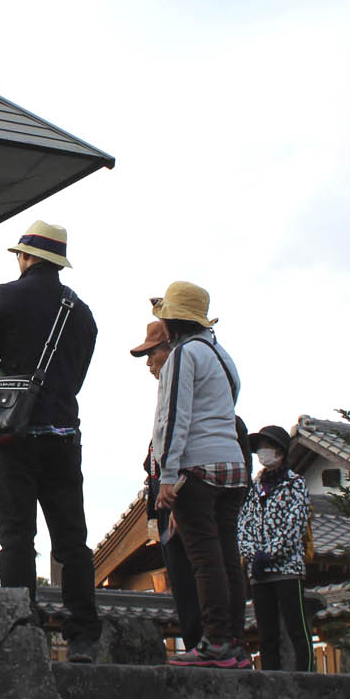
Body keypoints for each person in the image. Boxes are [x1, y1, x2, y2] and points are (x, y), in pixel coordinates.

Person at [0, 221, 101, 660]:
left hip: (15, 437)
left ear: (27, 258)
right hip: (64, 434)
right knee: (71, 540)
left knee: (16, 537)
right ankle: (83, 634)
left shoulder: (5, 296)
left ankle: (22, 631)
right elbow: (78, 379)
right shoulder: (82, 313)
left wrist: (2, 410)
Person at [147, 280, 251, 669]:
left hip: (196, 468)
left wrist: (168, 475)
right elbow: (231, 406)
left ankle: (215, 642)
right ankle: (235, 642)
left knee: (204, 560)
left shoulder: (182, 355)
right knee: (226, 557)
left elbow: (173, 415)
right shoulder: (223, 357)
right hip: (233, 468)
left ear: (172, 322)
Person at [133, 319, 202, 652]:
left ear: (172, 349)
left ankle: (209, 649)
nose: (149, 363)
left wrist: (182, 500)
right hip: (165, 507)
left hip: (187, 498)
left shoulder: (192, 392)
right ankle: (194, 649)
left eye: (153, 353)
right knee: (182, 588)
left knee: (199, 582)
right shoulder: (163, 403)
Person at [236, 425, 314, 671]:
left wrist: (269, 553)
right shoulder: (254, 488)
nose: (262, 452)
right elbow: (242, 526)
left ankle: (307, 678)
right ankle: (270, 680)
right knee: (266, 635)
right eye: (259, 448)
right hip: (259, 575)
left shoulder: (295, 485)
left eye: (267, 447)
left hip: (288, 569)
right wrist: (252, 555)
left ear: (280, 451)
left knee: (297, 629)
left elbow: (295, 525)